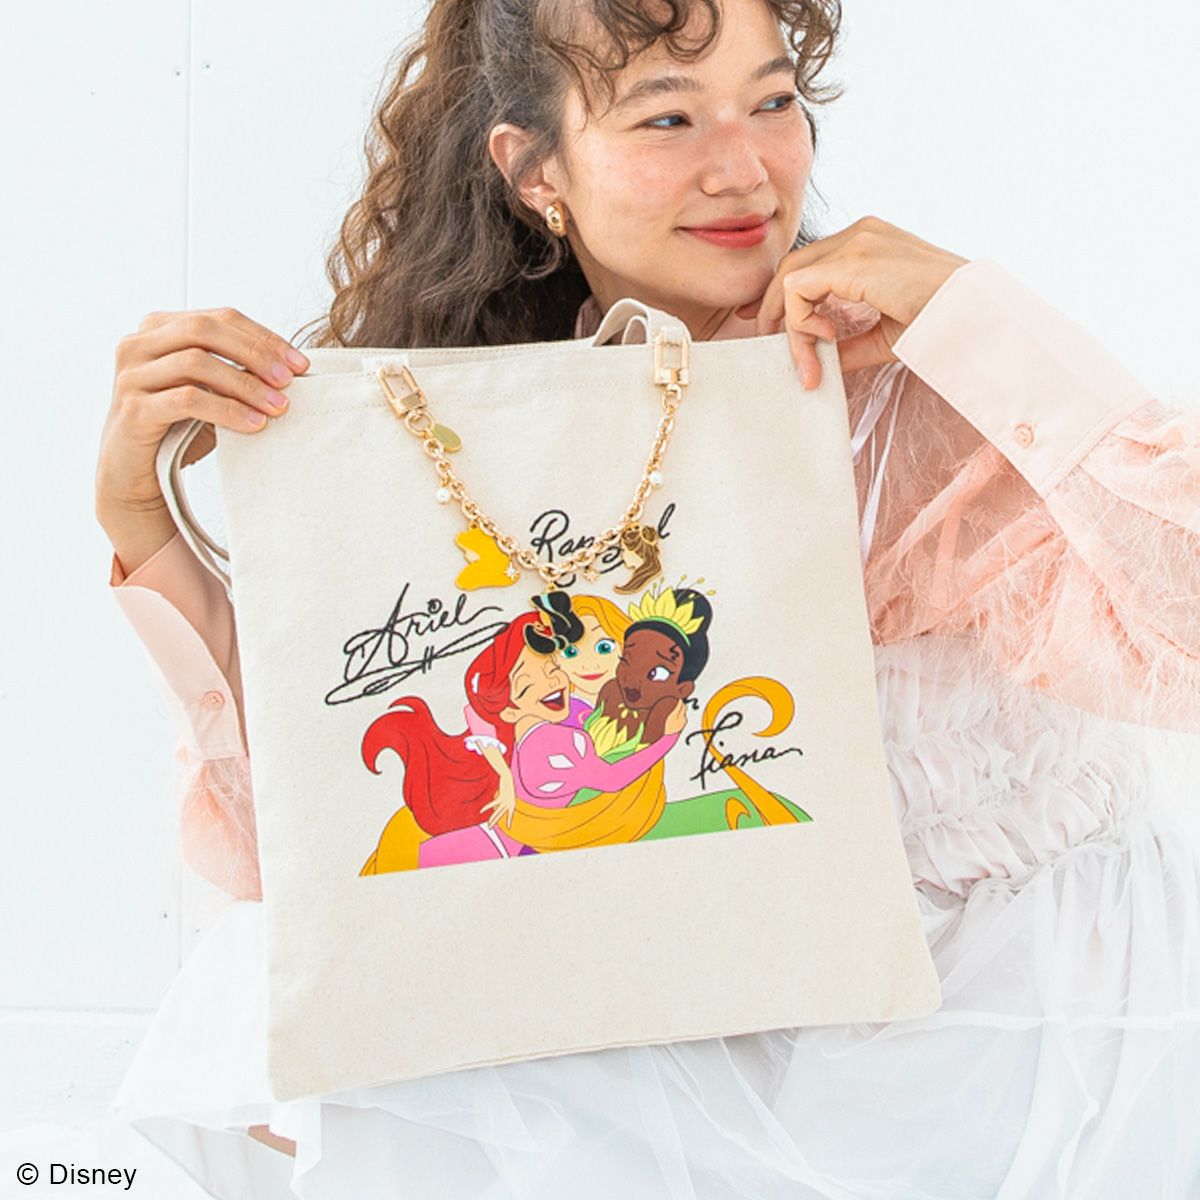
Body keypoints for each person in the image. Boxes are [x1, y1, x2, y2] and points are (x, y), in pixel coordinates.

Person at [94, 0, 1200, 1194]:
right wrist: (141, 522)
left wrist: (975, 318)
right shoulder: (467, 432)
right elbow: (315, 842)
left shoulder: (900, 380)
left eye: (773, 101)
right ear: (535, 171)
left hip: (975, 1020)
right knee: (275, 997)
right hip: (659, 986)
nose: (746, 168)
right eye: (668, 117)